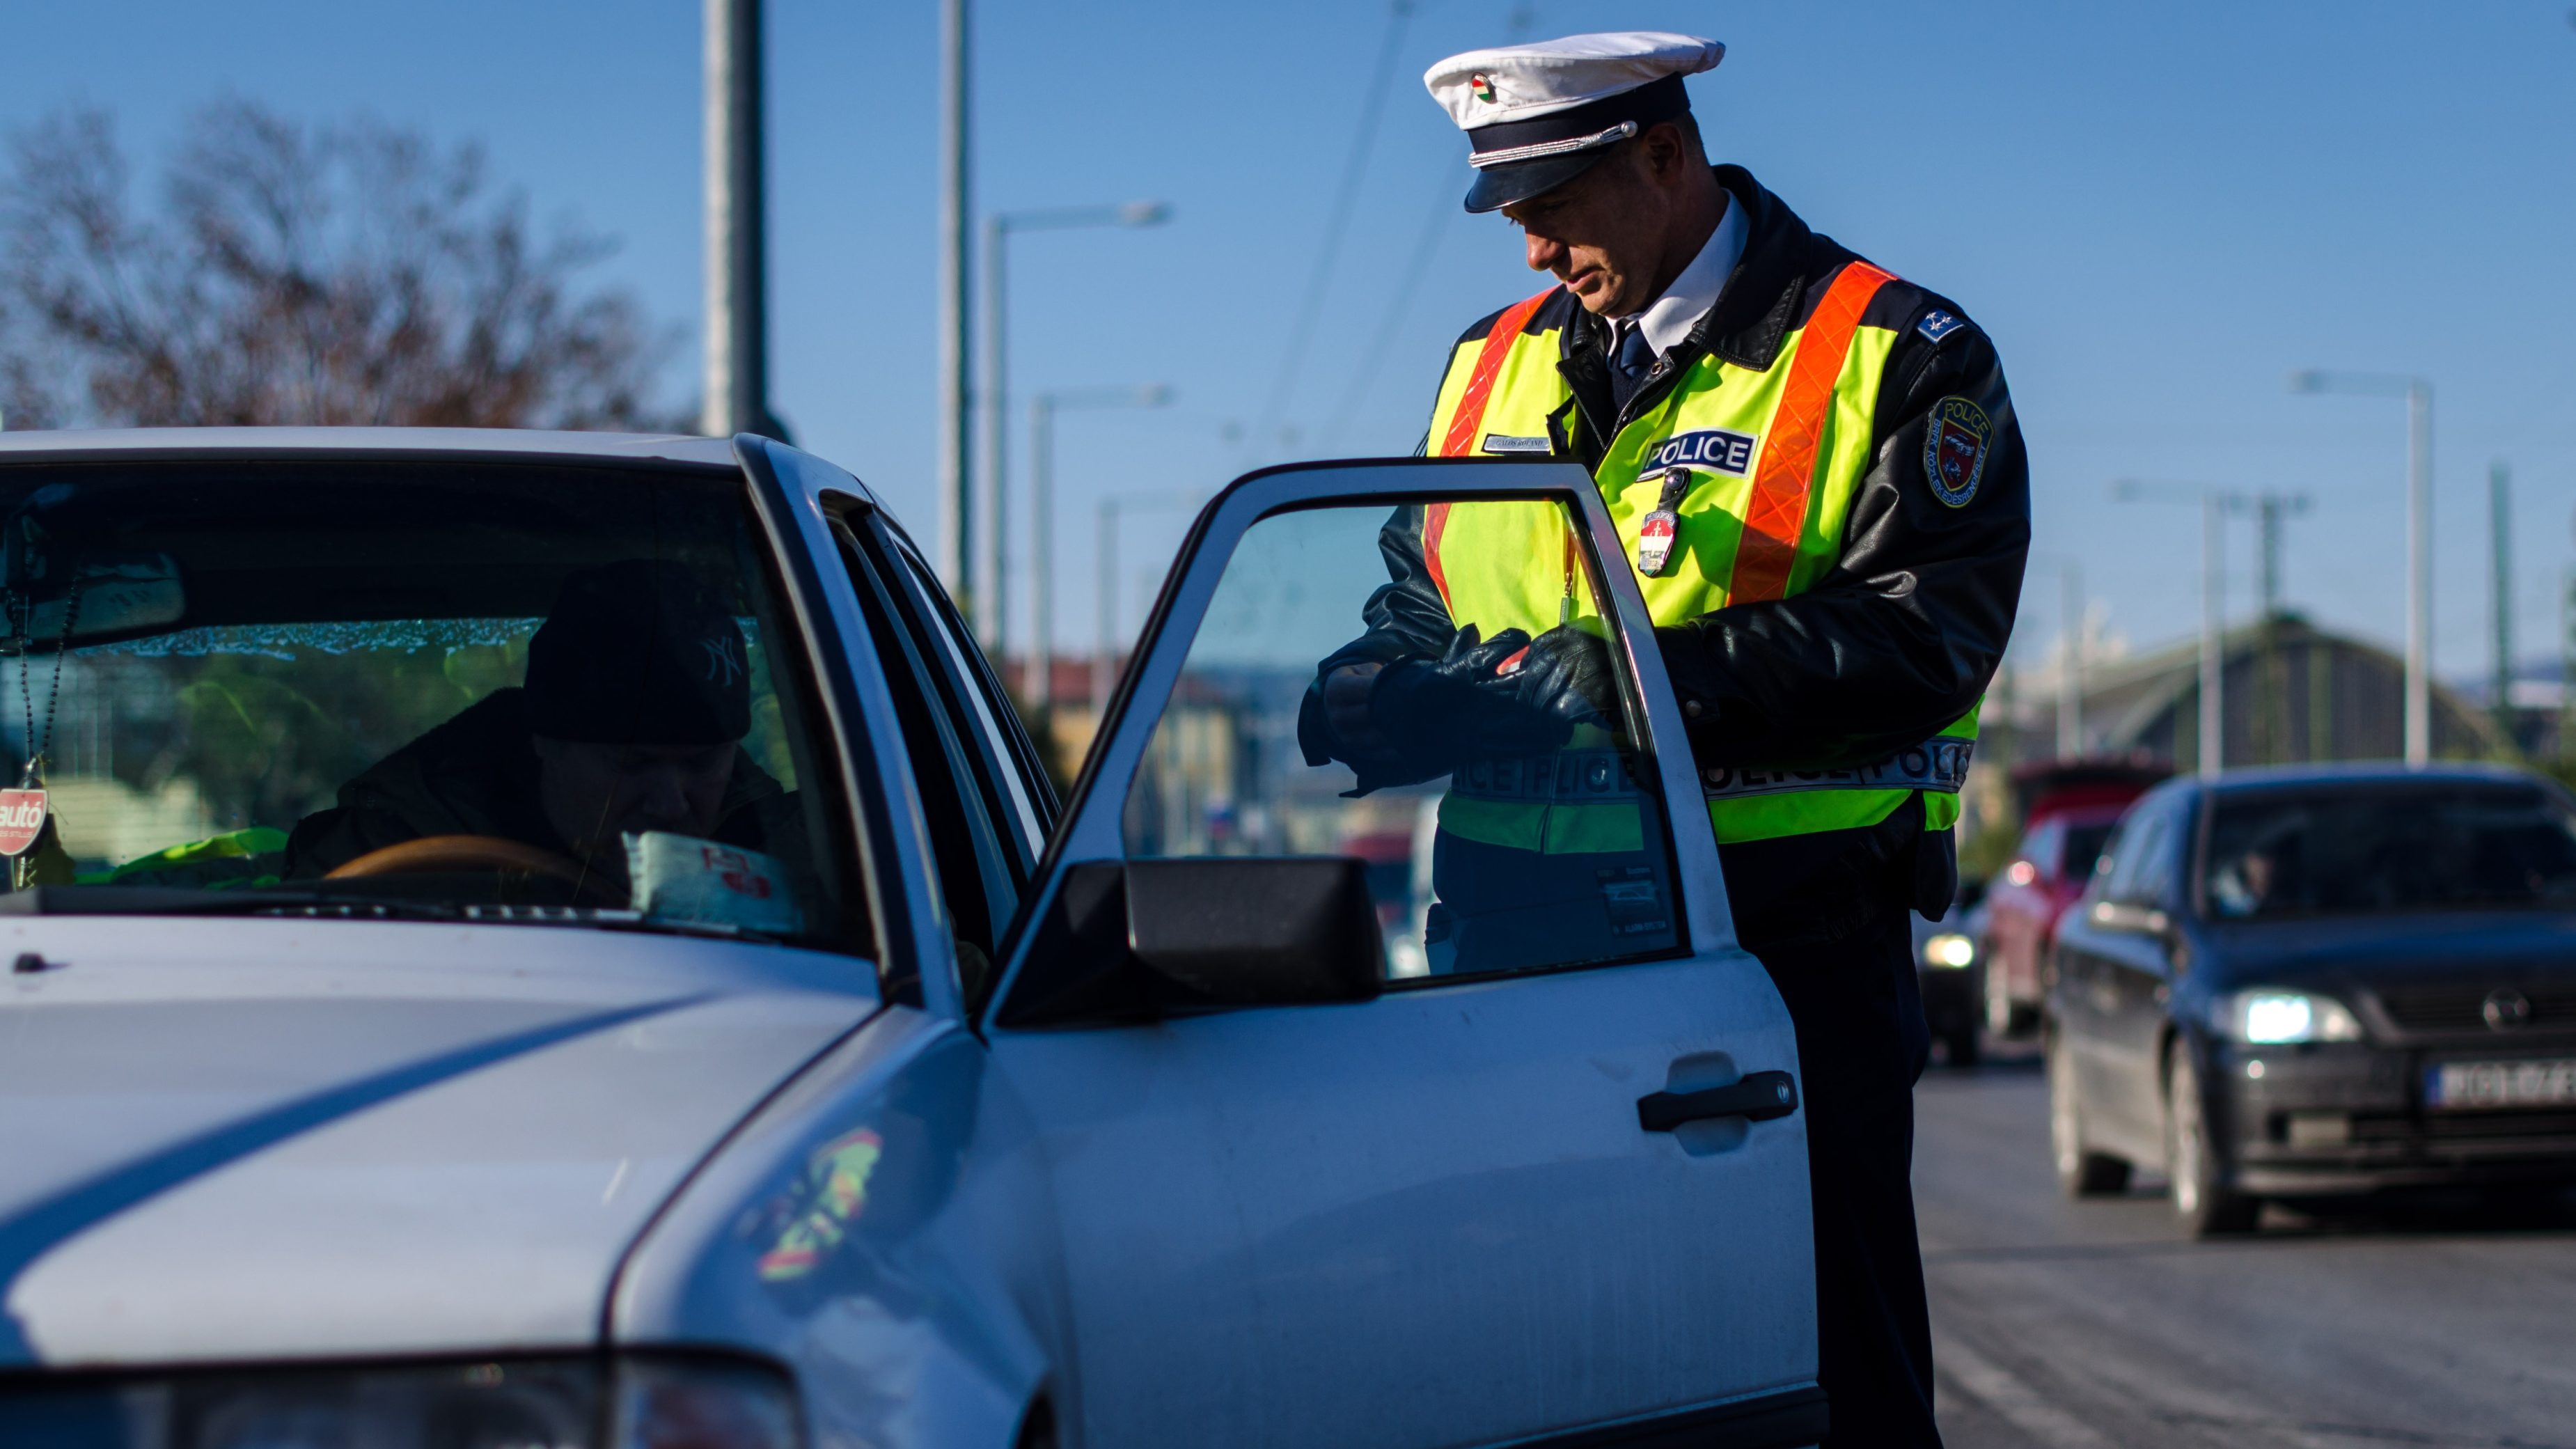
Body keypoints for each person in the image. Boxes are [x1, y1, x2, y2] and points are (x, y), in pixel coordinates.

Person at [1297, 31, 2027, 1447]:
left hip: (1776, 942)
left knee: (1829, 1357)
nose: (1528, 251)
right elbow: (1414, 595)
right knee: (1523, 1355)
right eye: (1510, 218)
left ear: (1663, 156)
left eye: (1551, 206)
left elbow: (1925, 631)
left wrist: (1642, 681)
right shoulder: (1485, 367)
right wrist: (1376, 693)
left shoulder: (1892, 351)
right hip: (1515, 944)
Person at [286, 558, 798, 892]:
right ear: (546, 742)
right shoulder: (386, 855)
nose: (670, 803)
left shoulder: (810, 862)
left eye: (703, 762)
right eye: (631, 762)